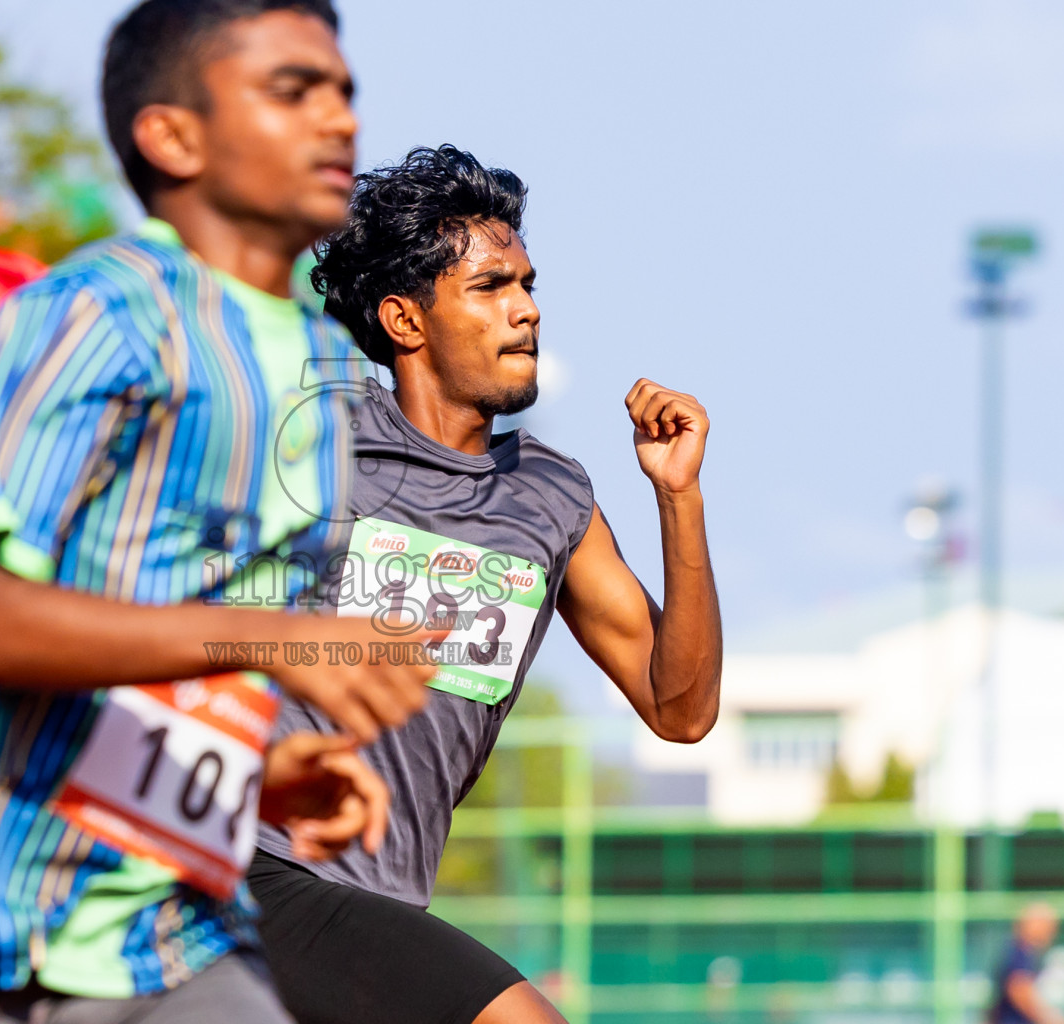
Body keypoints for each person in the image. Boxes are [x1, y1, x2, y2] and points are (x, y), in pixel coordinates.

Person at [0, 3, 443, 1022]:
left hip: (174, 942)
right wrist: (275, 639)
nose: (338, 119)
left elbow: (181, 656)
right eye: (293, 91)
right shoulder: (102, 310)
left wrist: (259, 775)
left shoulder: (326, 365)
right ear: (173, 135)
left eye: (343, 91)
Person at [249, 146, 724, 1024]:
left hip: (388, 899)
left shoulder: (552, 497)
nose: (528, 311)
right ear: (405, 320)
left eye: (529, 285)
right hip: (255, 867)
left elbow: (682, 709)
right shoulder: (308, 449)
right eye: (491, 288)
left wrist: (678, 496)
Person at [990, 903, 1064, 1024]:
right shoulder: (1019, 952)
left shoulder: (1025, 953)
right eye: (1047, 925)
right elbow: (1019, 990)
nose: (1052, 932)